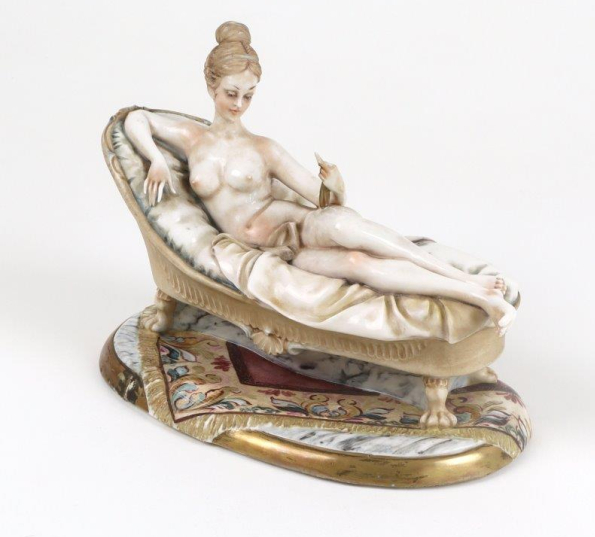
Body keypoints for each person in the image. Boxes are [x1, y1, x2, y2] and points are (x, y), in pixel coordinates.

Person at [124, 21, 516, 335]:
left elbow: (322, 198)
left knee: (347, 227)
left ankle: (470, 286)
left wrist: (335, 186)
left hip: (298, 224)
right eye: (231, 93)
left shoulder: (264, 148)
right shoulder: (191, 137)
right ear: (211, 85)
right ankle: (476, 293)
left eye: (249, 95)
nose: (239, 104)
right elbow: (135, 119)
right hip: (274, 249)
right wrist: (156, 159)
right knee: (357, 262)